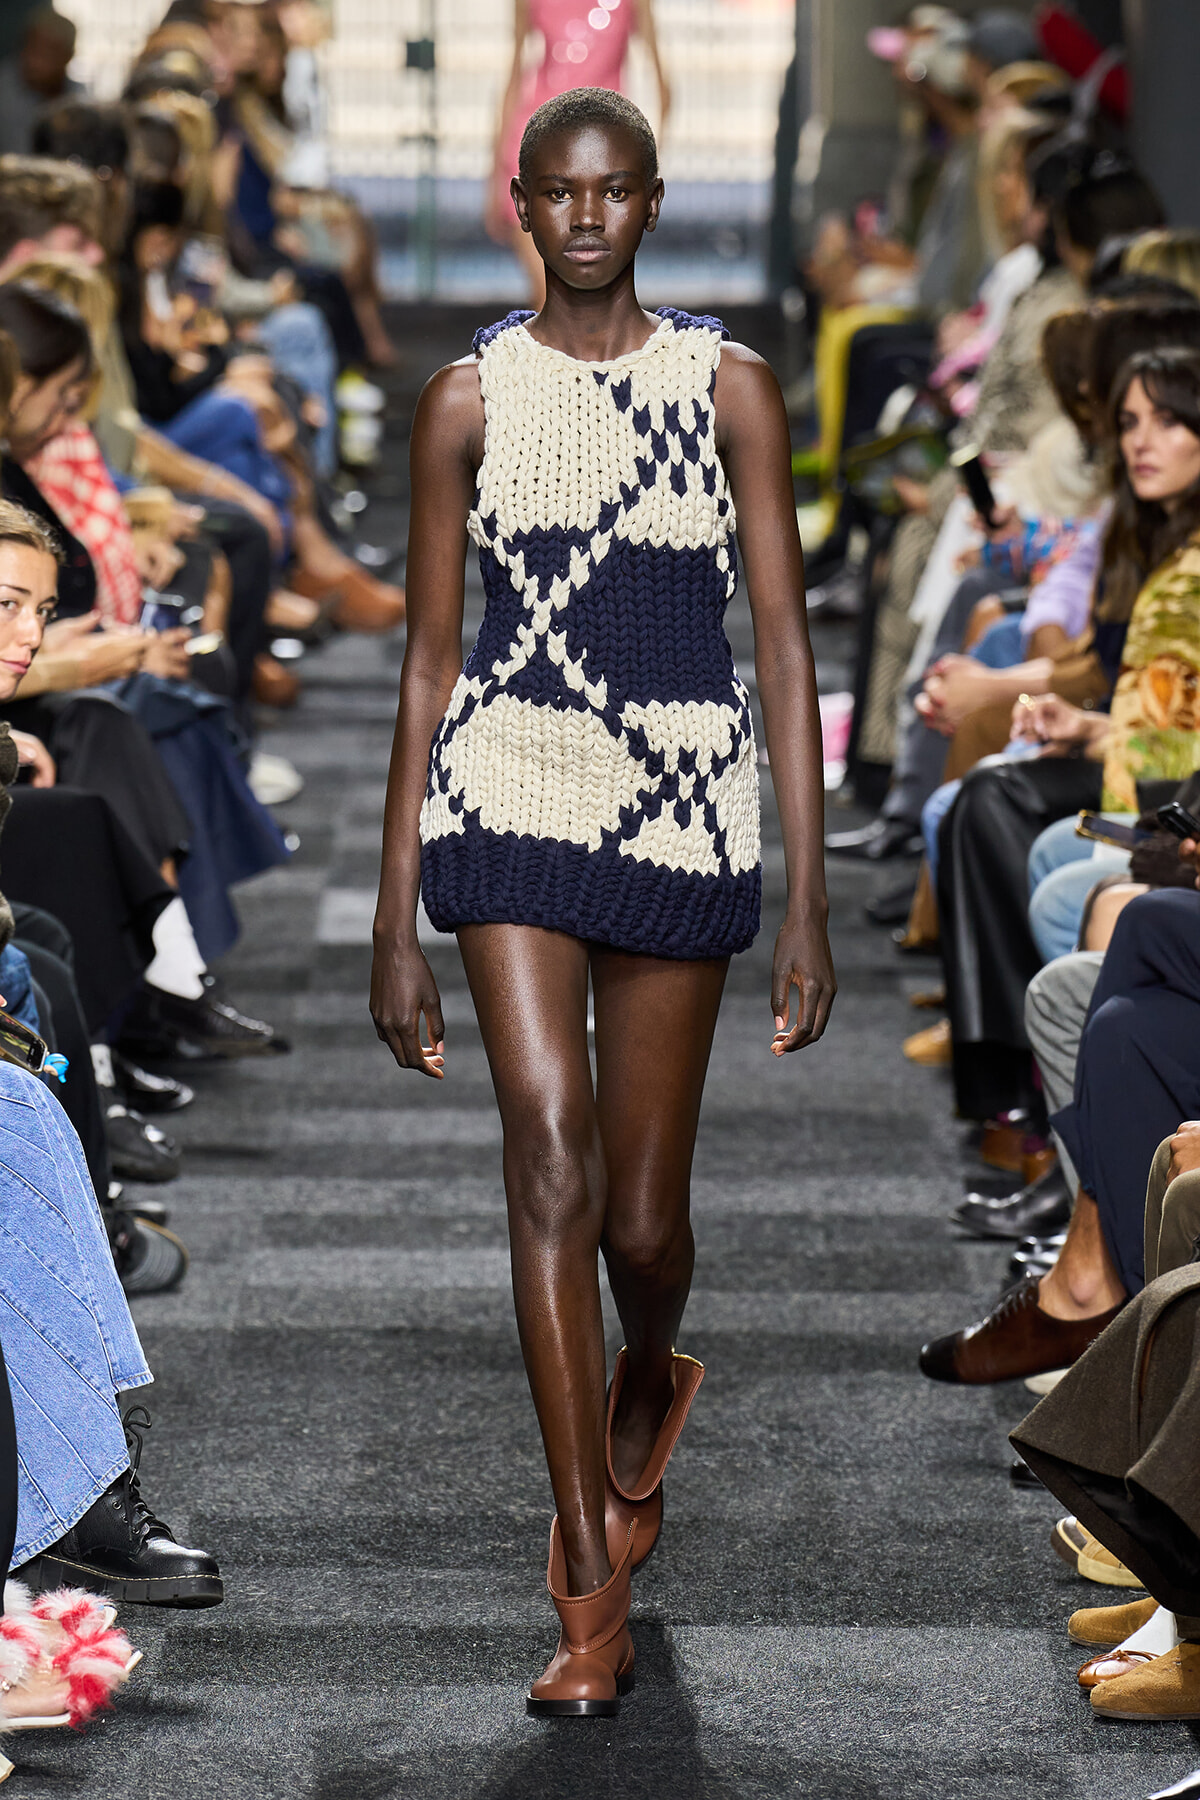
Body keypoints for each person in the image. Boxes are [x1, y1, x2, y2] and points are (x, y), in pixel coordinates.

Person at [371, 87, 834, 1717]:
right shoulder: (462, 404)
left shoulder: (731, 391)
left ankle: (651, 1368)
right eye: (557, 192)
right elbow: (430, 657)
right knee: (547, 1157)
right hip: (508, 780)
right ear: (521, 203)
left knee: (644, 1224)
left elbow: (781, 642)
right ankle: (584, 1573)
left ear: (648, 203)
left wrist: (807, 896)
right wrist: (394, 903)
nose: (584, 216)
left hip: (684, 800)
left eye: (613, 191)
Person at [488, 1, 670, 304]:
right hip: (536, 152)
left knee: (594, 304)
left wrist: (641, 168)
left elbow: (664, 91)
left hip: (605, 160)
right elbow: (515, 75)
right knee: (549, 299)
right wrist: (496, 172)